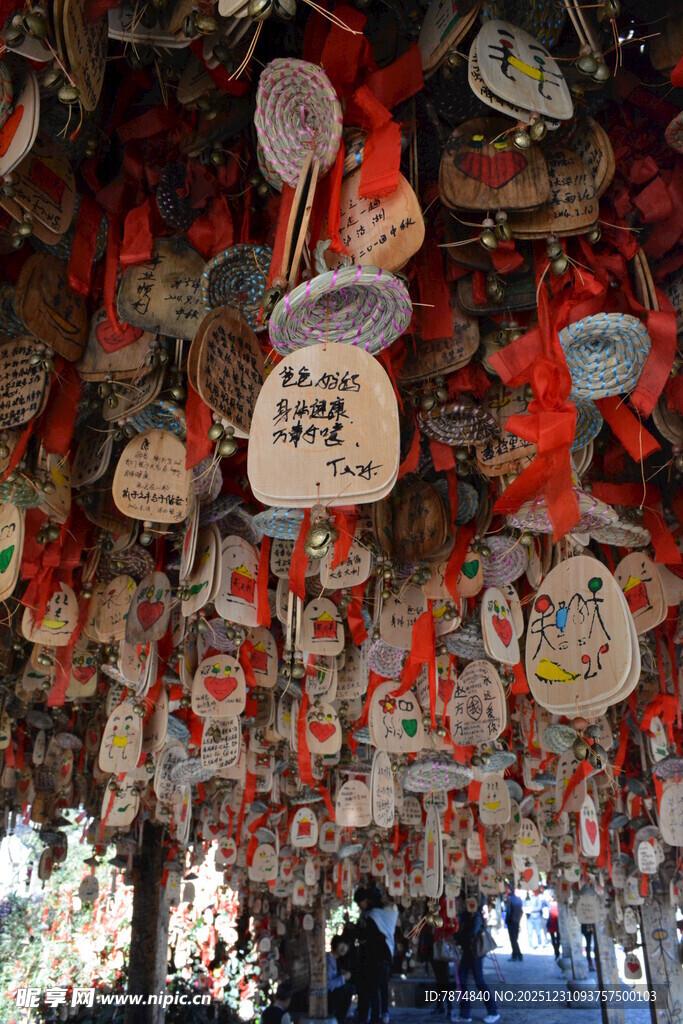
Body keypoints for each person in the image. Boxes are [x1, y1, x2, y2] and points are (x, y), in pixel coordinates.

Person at [353, 886, 398, 1024]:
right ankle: (382, 1015)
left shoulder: (373, 916)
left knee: (374, 989)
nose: (360, 906)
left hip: (375, 957)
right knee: (381, 987)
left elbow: (368, 936)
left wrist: (357, 930)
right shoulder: (387, 913)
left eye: (360, 903)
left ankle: (374, 1018)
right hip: (386, 955)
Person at [455, 896, 500, 1024]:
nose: (470, 904)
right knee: (463, 980)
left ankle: (493, 1011)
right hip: (468, 952)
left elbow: (471, 933)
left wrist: (458, 936)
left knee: (479, 981)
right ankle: (465, 1014)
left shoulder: (477, 917)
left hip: (475, 953)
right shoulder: (466, 915)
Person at [327, 935, 353, 1024]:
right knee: (347, 989)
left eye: (346, 946)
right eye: (341, 945)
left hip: (333, 995)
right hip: (325, 995)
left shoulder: (337, 960)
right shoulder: (328, 959)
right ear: (335, 945)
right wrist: (343, 977)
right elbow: (328, 984)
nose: (344, 948)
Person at [504, 888, 523, 962]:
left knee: (513, 939)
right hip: (516, 920)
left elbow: (508, 911)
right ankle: (517, 954)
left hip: (511, 921)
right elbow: (521, 911)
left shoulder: (509, 899)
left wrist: (507, 920)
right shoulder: (519, 900)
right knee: (515, 939)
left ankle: (516, 954)